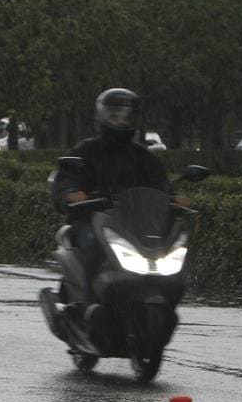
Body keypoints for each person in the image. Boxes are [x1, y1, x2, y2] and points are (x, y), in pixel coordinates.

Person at [52, 87, 184, 319]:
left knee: (170, 248)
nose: (121, 122)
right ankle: (85, 305)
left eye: (127, 117)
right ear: (102, 117)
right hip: (92, 220)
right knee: (92, 246)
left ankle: (166, 299)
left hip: (132, 224)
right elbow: (66, 180)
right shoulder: (86, 151)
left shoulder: (144, 157)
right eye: (115, 116)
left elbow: (161, 185)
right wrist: (72, 193)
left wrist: (173, 198)